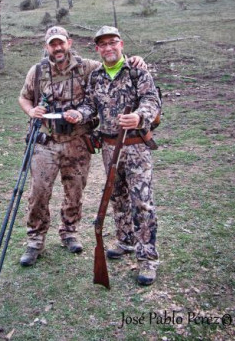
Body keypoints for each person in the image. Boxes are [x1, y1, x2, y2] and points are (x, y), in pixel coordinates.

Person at [18, 26, 147, 266]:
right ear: (47, 46)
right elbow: (23, 97)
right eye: (52, 44)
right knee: (38, 194)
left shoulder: (88, 67)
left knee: (75, 192)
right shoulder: (36, 72)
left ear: (69, 42)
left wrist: (136, 60)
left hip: (78, 142)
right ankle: (35, 240)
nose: (57, 47)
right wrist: (31, 110)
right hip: (45, 142)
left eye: (61, 42)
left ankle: (69, 232)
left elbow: (115, 67)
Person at [64, 26, 161, 285]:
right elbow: (89, 106)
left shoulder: (137, 70)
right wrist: (79, 115)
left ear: (121, 44)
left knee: (142, 202)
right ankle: (125, 241)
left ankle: (147, 259)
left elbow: (152, 100)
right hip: (109, 148)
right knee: (117, 196)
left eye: (112, 42)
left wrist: (139, 116)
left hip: (137, 146)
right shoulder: (96, 76)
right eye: (102, 44)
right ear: (97, 49)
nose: (108, 48)